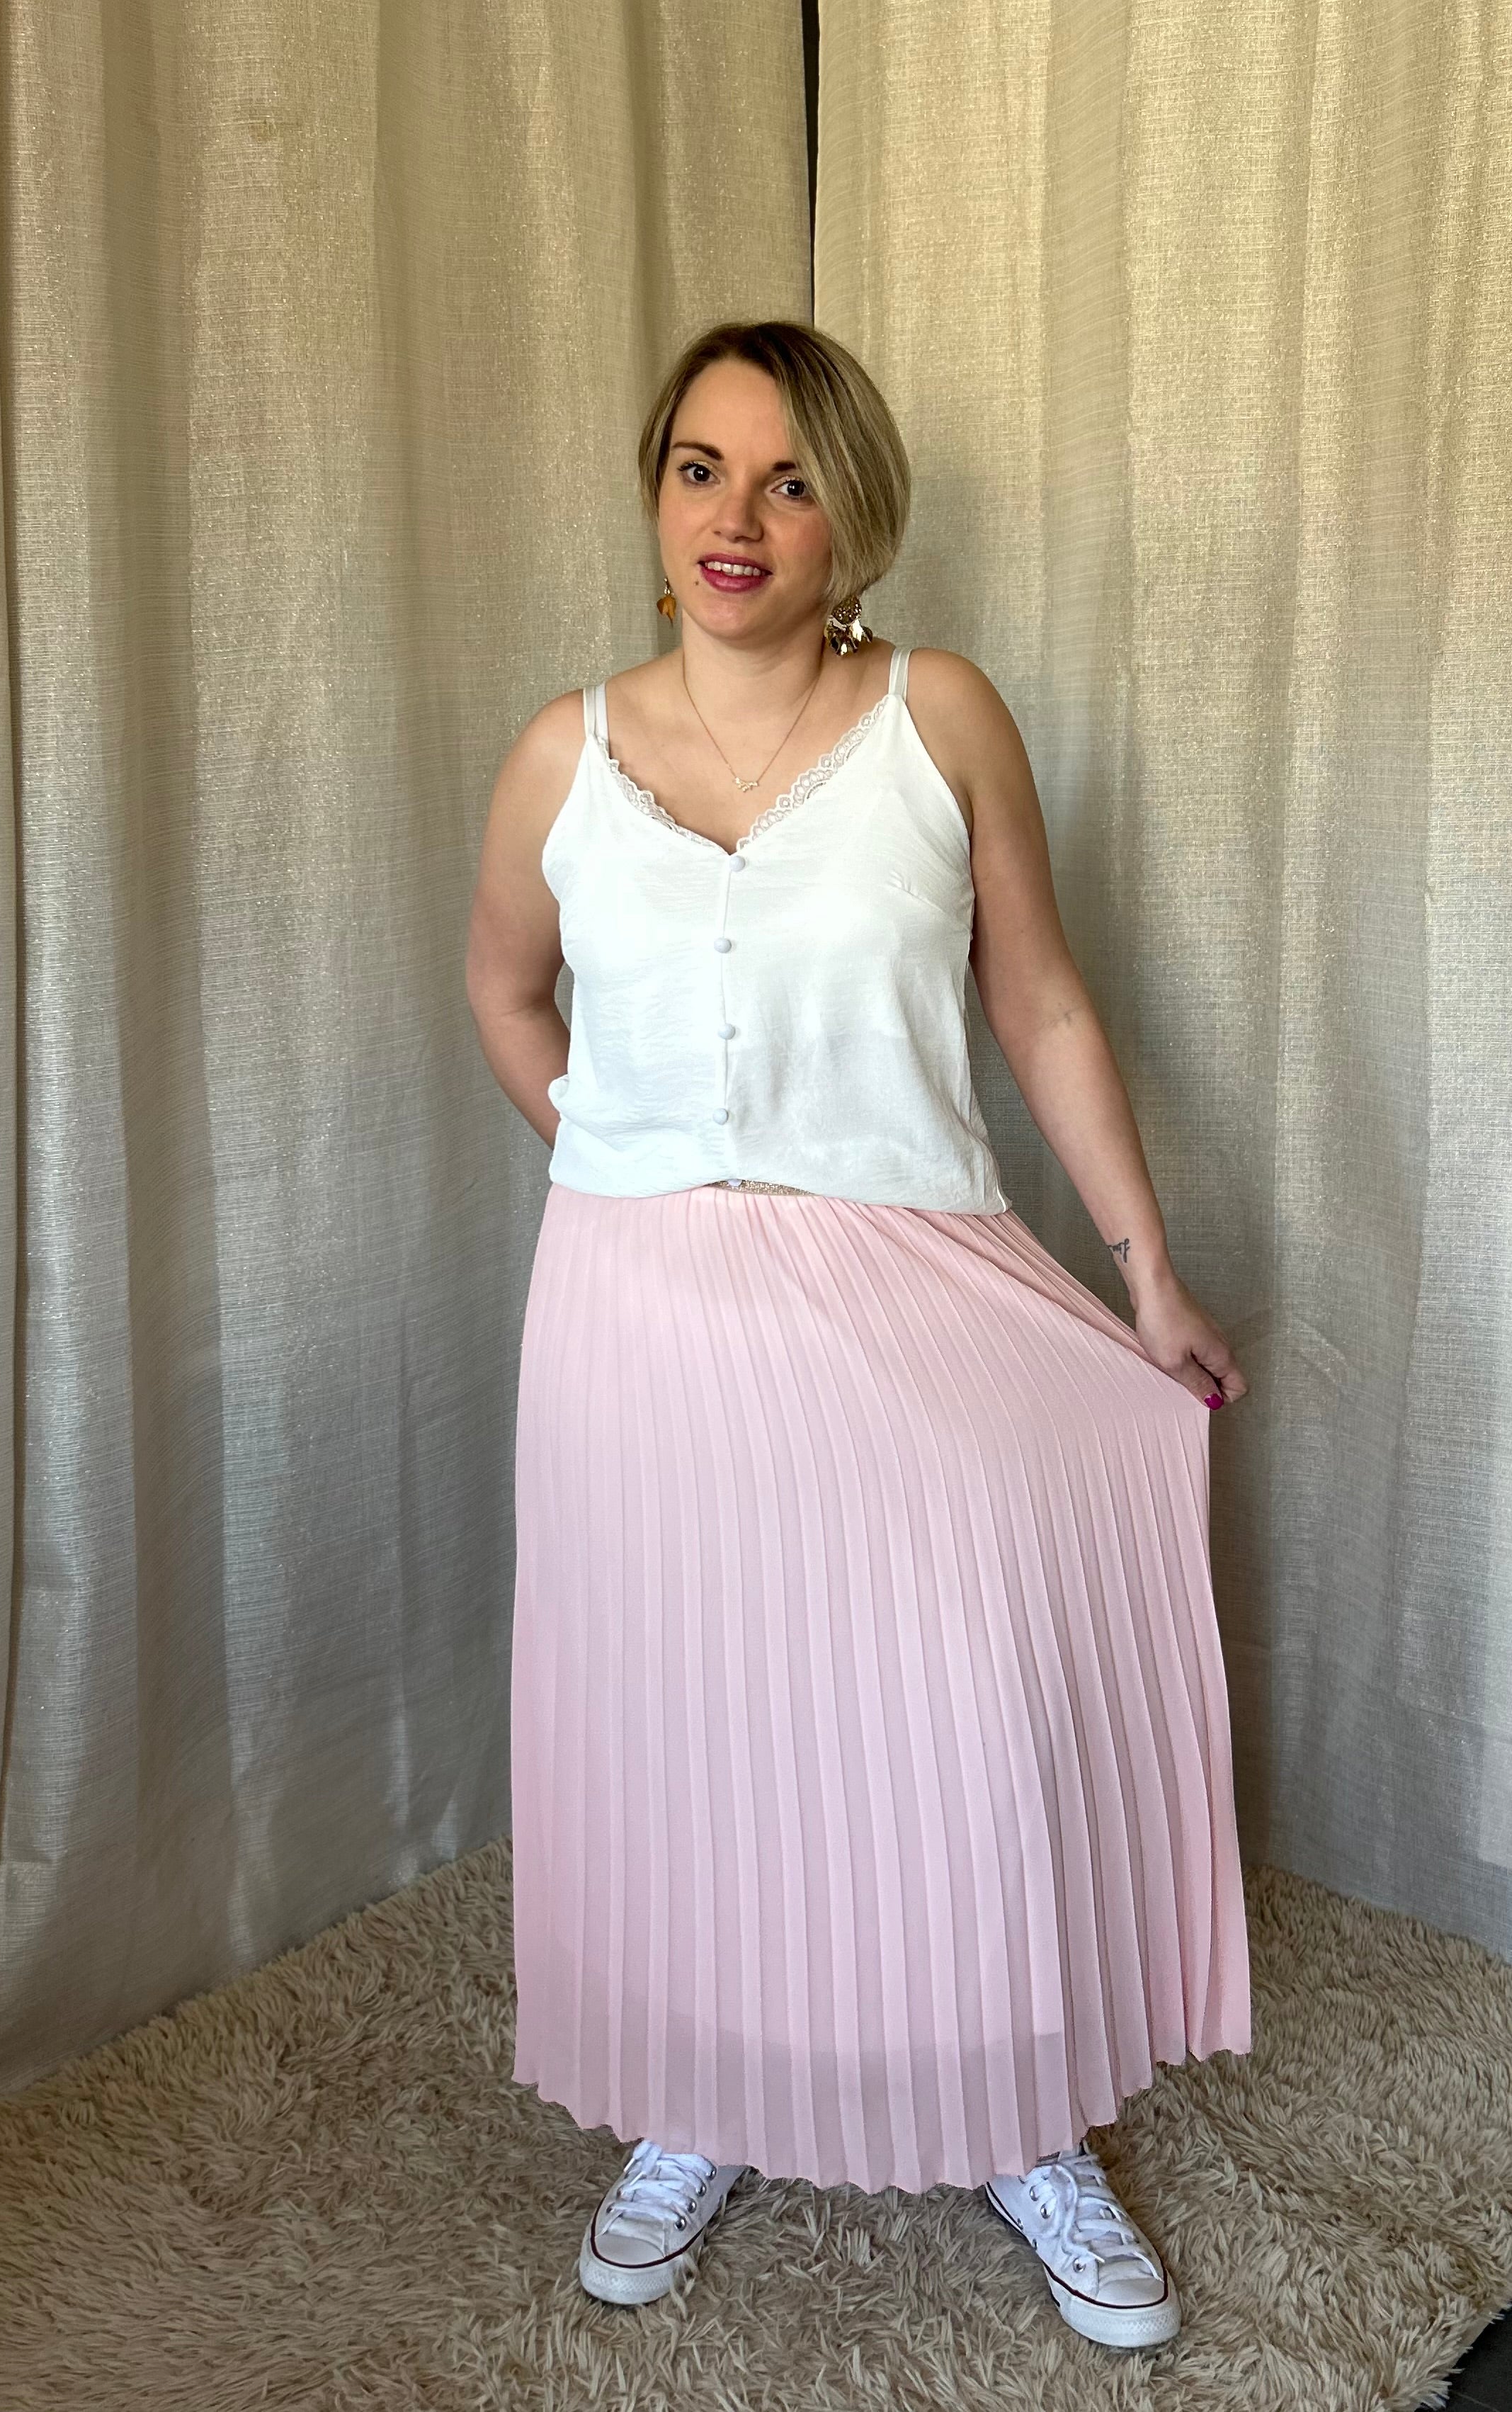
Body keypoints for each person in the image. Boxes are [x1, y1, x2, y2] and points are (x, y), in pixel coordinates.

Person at [465, 319, 1252, 2355]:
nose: (739, 515)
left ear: (854, 521)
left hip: (907, 1287)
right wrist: (624, 1151)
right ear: (656, 497)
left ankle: (1014, 2110)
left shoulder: (940, 716)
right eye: (703, 468)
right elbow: (503, 992)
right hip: (635, 1324)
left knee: (955, 1712)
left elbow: (1039, 1000)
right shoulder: (562, 754)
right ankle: (703, 2092)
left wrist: (1147, 1271)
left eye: (792, 477)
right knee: (686, 1716)